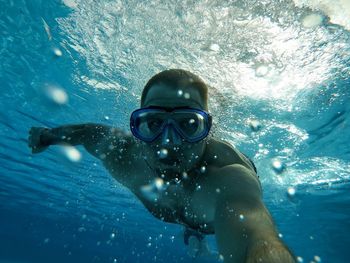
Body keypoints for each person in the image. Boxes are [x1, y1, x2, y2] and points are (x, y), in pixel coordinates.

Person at [28, 69, 295, 263]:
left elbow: (256, 237)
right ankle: (193, 236)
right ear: (138, 127)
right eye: (154, 123)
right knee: (190, 226)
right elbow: (86, 132)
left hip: (210, 212)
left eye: (189, 124)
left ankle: (193, 234)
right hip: (196, 213)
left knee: (194, 223)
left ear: (207, 131)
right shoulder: (123, 155)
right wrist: (46, 137)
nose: (169, 141)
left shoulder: (227, 178)